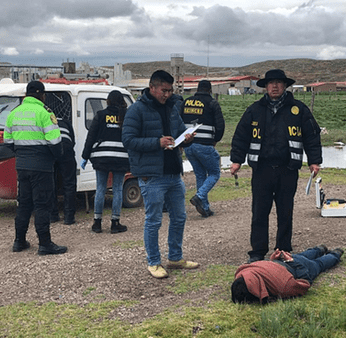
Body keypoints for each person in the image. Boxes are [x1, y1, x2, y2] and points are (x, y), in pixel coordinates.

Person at [230, 69, 322, 263]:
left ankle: (282, 250)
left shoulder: (299, 110)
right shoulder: (254, 110)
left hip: (288, 170)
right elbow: (241, 136)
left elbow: (312, 136)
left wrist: (314, 161)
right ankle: (257, 252)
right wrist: (236, 160)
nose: (274, 86)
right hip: (261, 170)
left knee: (285, 211)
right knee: (259, 212)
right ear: (265, 86)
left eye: (279, 83)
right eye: (271, 83)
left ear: (285, 86)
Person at [122, 70, 199, 279]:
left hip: (174, 173)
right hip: (151, 175)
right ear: (152, 88)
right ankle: (153, 262)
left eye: (170, 90)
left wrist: (187, 137)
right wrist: (157, 143)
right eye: (163, 90)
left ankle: (175, 258)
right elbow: (128, 140)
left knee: (179, 217)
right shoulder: (136, 110)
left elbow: (180, 130)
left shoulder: (173, 108)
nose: (167, 94)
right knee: (154, 220)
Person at [4, 80, 67, 255]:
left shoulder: (13, 113)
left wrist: (22, 154)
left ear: (26, 95)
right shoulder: (45, 113)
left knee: (24, 204)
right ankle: (45, 244)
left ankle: (19, 241)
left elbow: (7, 141)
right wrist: (56, 158)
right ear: (42, 95)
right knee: (42, 204)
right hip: (42, 166)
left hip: (22, 166)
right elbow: (55, 142)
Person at [81, 90, 129, 234]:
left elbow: (91, 137)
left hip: (101, 157)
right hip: (120, 158)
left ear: (108, 101)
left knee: (101, 188)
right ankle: (115, 223)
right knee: (118, 189)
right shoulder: (125, 116)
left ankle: (97, 223)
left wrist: (85, 156)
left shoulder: (101, 115)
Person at [231, 246, 343, 304]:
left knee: (318, 265)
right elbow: (266, 265)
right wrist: (279, 259)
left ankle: (335, 254)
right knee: (303, 255)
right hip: (280, 260)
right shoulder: (243, 271)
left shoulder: (282, 287)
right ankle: (319, 249)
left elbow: (305, 282)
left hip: (294, 266)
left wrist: (292, 262)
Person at [180, 80, 225, 217]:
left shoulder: (186, 102)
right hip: (205, 145)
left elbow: (178, 121)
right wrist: (215, 140)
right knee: (214, 173)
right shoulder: (212, 103)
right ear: (209, 90)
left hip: (188, 145)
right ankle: (199, 196)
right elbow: (220, 125)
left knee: (200, 175)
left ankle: (204, 208)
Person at [50, 118, 77, 225]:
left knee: (51, 183)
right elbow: (73, 140)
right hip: (67, 149)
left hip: (52, 148)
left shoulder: (45, 119)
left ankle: (53, 215)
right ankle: (69, 217)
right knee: (69, 183)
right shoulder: (66, 122)